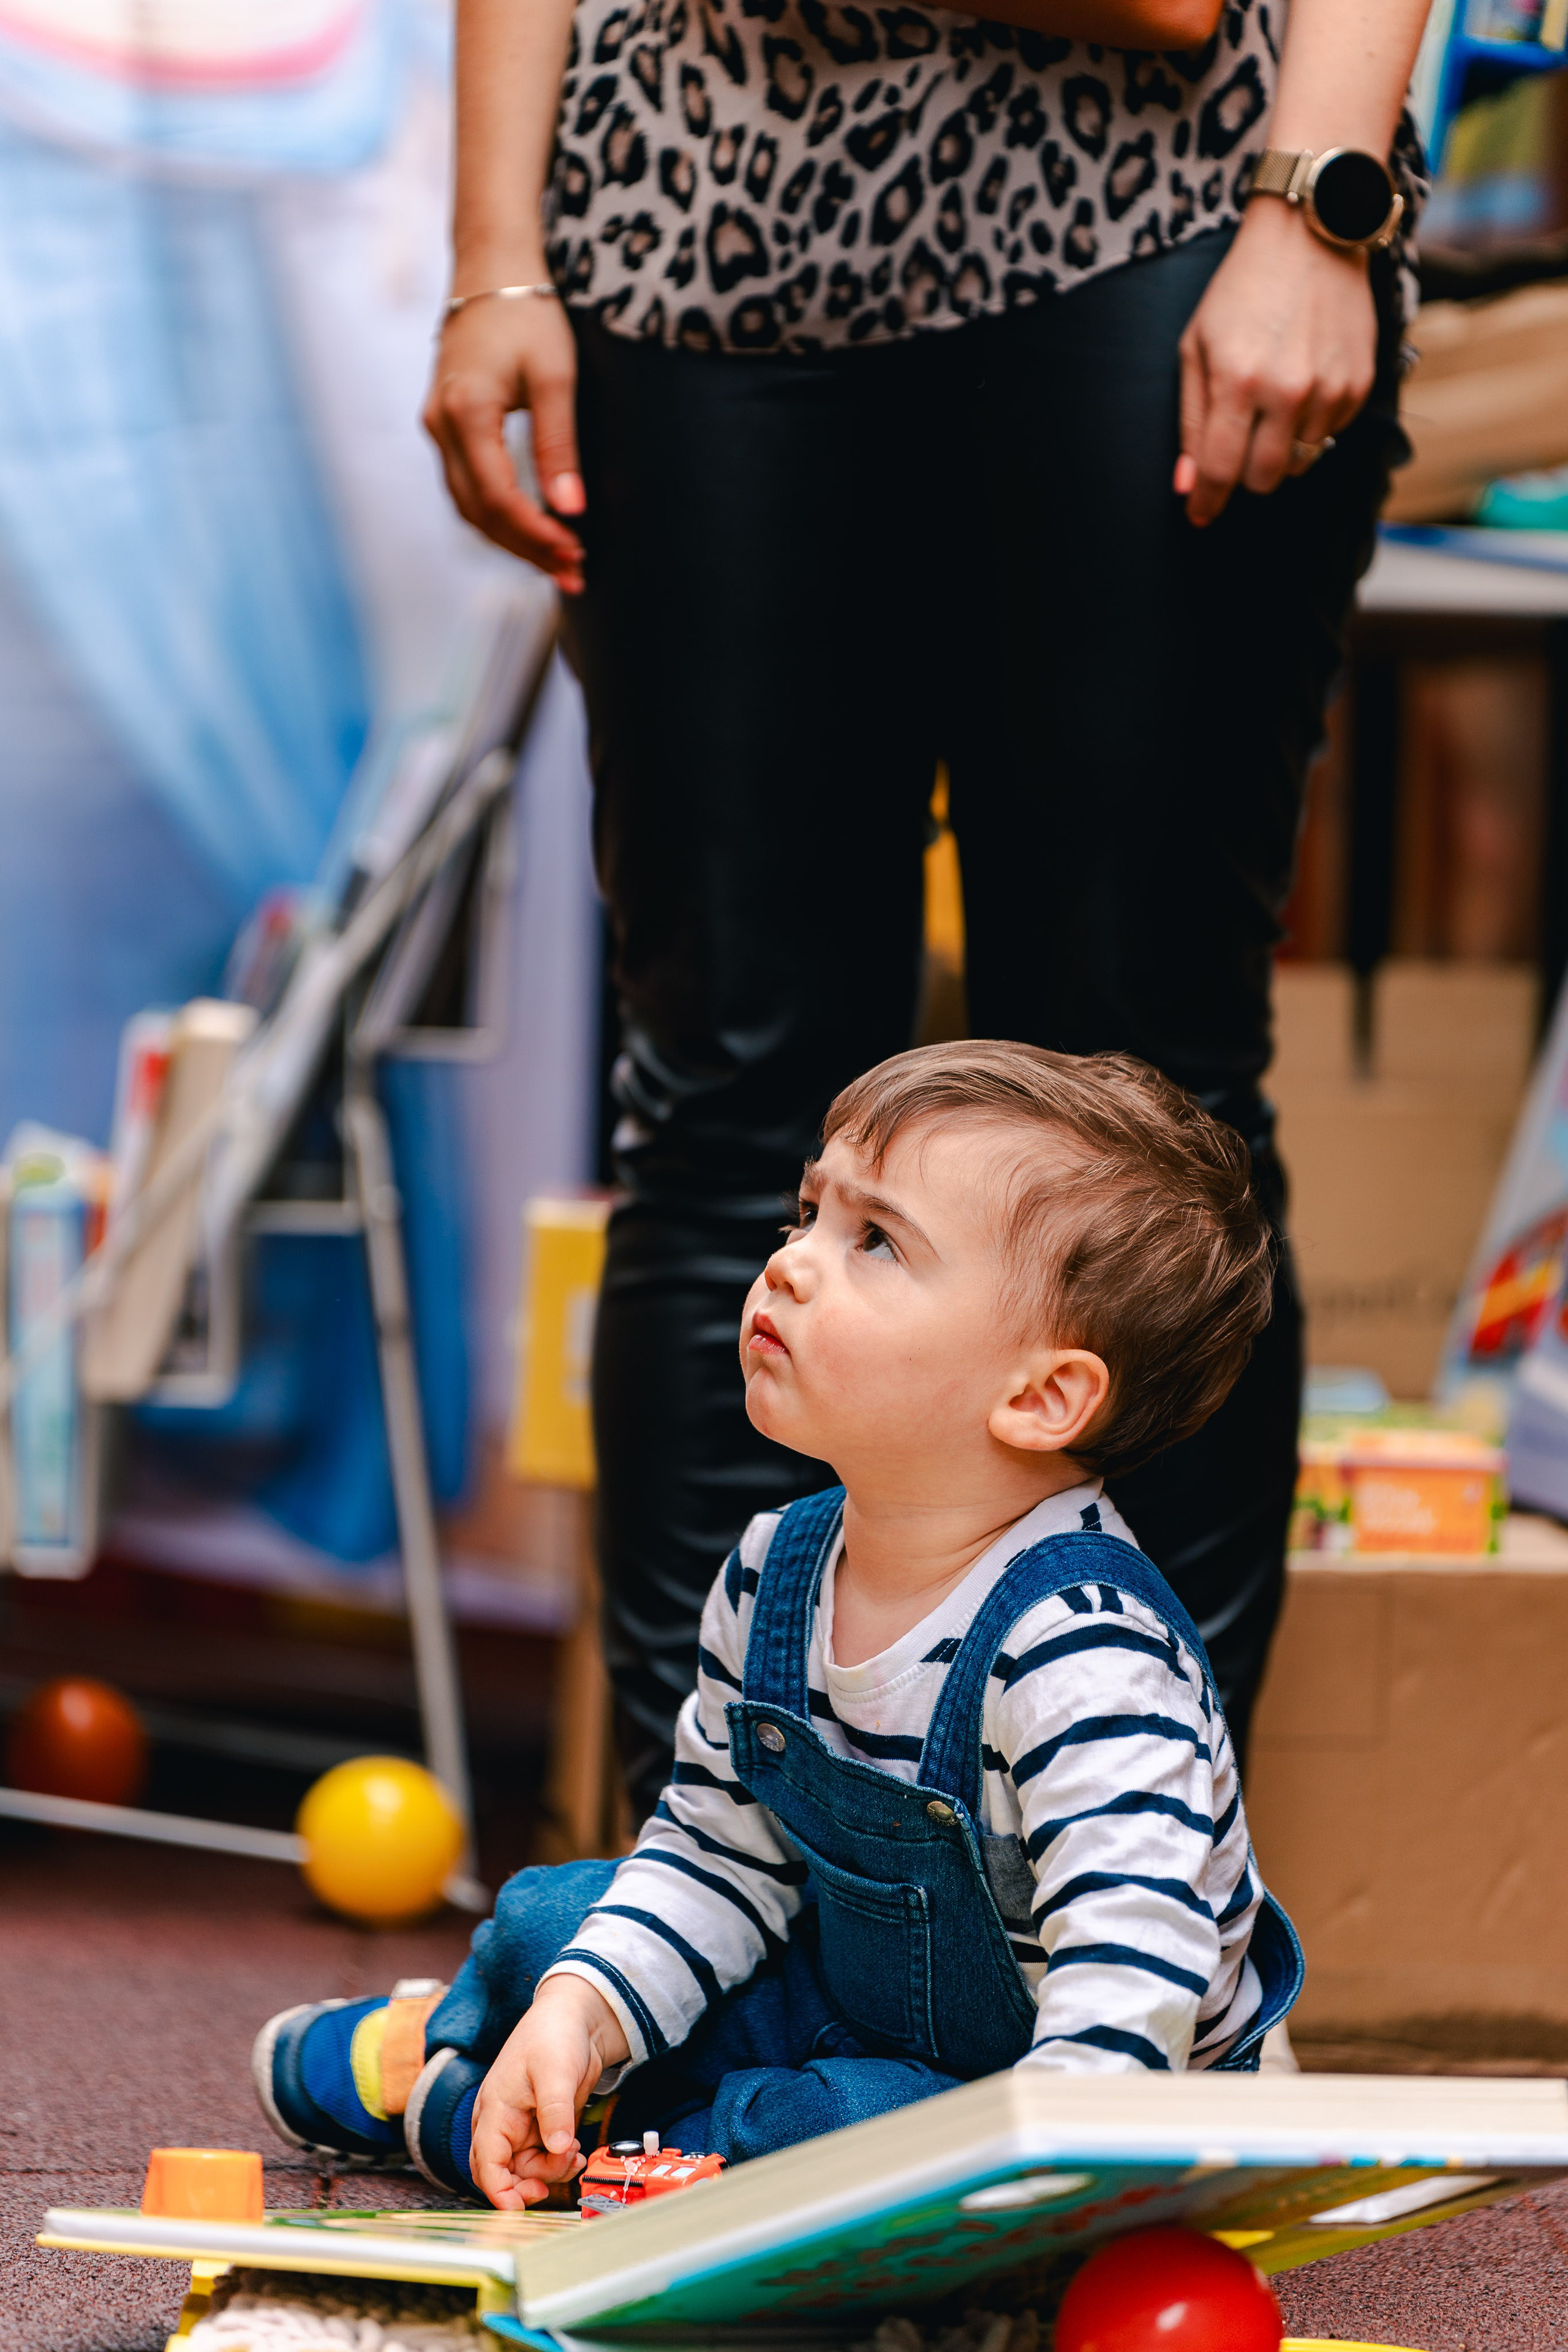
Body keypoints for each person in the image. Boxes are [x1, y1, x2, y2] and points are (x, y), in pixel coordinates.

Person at [424, 0, 1433, 1817]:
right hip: (693, 218)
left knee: (1141, 1103)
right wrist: (496, 262)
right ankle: (692, 1916)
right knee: (728, 1103)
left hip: (1166, 196)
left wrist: (1316, 201)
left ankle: (1130, 1912)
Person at [254, 1043, 1302, 2199]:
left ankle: (473, 2106)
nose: (792, 1265)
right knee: (555, 1925)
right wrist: (582, 2010)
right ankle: (515, 2065)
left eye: (877, 1243)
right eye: (808, 1214)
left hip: (1053, 2090)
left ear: (1041, 1397)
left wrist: (1050, 2181)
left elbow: (1132, 1954)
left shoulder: (1085, 1650)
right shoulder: (774, 1574)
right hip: (848, 1999)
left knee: (845, 2138)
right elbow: (718, 1853)